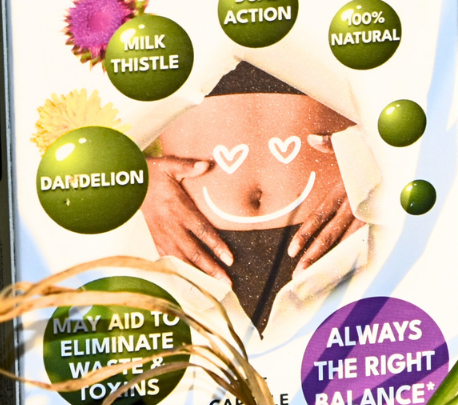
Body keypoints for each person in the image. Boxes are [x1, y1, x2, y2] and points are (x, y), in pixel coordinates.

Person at [139, 63, 367, 335]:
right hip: (192, 247)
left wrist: (372, 165)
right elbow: (97, 125)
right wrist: (139, 177)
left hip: (340, 234)